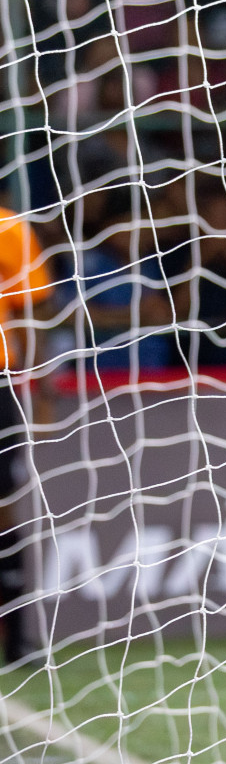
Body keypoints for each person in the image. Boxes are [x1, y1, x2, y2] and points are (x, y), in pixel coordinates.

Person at [0, 204, 53, 663]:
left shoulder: (9, 227)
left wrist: (44, 388)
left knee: (2, 508)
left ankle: (16, 639)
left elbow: (33, 308)